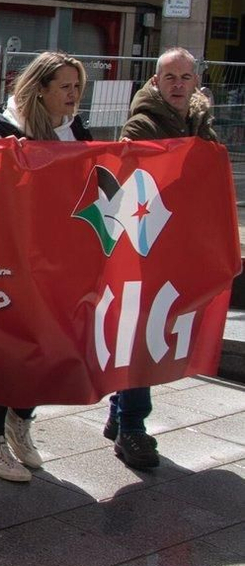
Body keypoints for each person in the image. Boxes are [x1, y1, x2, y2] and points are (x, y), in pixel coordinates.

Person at [100, 47, 217, 470]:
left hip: (182, 243)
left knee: (155, 328)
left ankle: (119, 410)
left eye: (186, 77)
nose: (179, 84)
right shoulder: (141, 124)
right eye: (170, 77)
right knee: (143, 333)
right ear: (156, 83)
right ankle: (133, 425)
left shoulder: (202, 122)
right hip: (147, 244)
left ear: (195, 82)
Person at [0, 51, 90, 482]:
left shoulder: (75, 128)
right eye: (65, 87)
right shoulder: (5, 131)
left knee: (49, 345)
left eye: (77, 86)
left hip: (59, 259)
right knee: (11, 348)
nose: (73, 95)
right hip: (12, 258)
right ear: (40, 90)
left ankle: (20, 424)